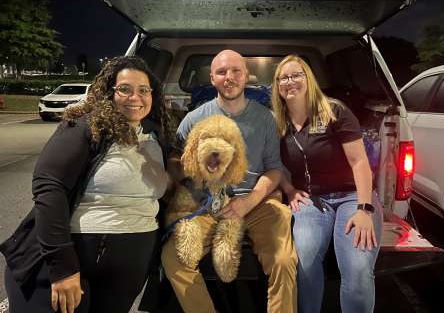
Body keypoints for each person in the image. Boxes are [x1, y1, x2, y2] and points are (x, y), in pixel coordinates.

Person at [0, 56, 174, 313]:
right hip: (75, 256)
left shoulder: (156, 135)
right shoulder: (85, 127)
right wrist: (62, 268)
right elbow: (49, 188)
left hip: (132, 261)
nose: (134, 97)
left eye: (143, 90)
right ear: (108, 92)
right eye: (124, 89)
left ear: (153, 94)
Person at [161, 49, 298, 313]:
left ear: (247, 76)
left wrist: (249, 201)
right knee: (172, 258)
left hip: (258, 201)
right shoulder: (194, 119)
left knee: (283, 260)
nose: (229, 77)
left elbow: (273, 169)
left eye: (236, 71)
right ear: (212, 78)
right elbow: (176, 162)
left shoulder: (266, 118)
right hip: (207, 204)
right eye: (222, 72)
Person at [271, 55, 383, 313]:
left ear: (308, 78)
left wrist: (365, 209)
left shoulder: (334, 111)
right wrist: (289, 190)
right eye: (283, 77)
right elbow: (273, 164)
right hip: (311, 200)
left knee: (357, 270)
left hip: (352, 196)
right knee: (304, 260)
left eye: (296, 75)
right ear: (277, 86)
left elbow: (359, 162)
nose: (290, 81)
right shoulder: (276, 122)